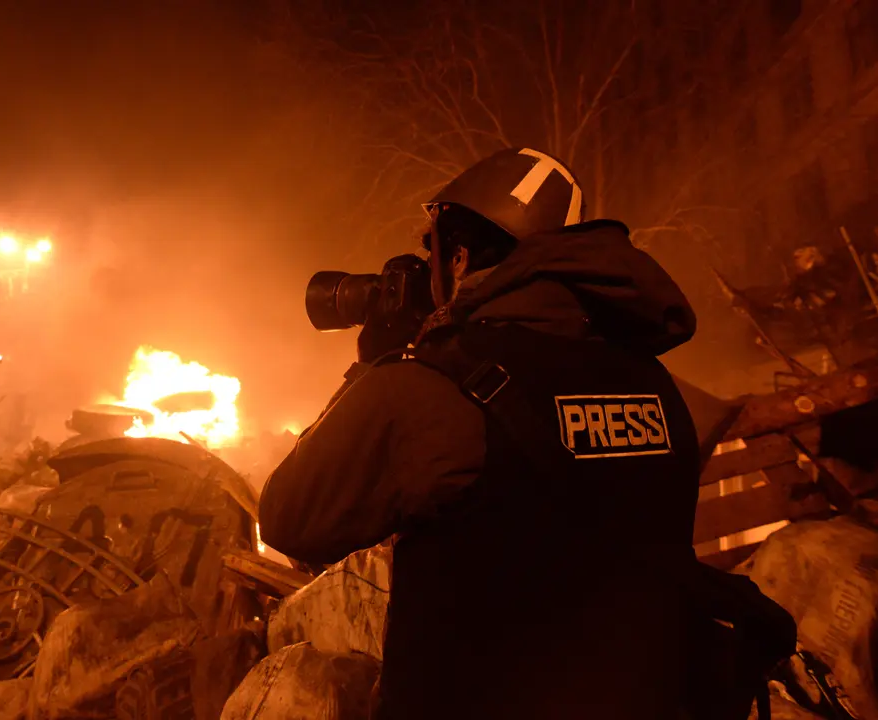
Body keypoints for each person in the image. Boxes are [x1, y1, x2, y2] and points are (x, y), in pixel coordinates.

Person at [258, 148, 786, 719]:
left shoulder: (429, 389)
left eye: (428, 249)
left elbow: (290, 517)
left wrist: (375, 366)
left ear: (458, 260)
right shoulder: (657, 382)